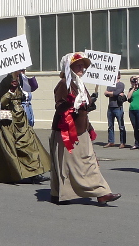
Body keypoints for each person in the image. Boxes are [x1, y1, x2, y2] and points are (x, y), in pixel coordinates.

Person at [50, 52, 121, 206]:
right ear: (69, 67)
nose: (82, 67)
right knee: (66, 164)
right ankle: (61, 193)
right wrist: (70, 104)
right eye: (78, 64)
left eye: (83, 65)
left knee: (89, 162)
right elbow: (59, 107)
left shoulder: (79, 83)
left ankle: (101, 192)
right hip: (67, 131)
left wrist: (90, 103)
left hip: (82, 129)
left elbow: (83, 108)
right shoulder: (64, 83)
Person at [0, 70, 51, 184]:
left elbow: (27, 94)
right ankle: (14, 173)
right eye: (21, 69)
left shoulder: (22, 79)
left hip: (21, 117)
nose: (23, 70)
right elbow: (3, 102)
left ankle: (35, 172)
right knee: (12, 147)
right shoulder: (6, 82)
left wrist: (30, 84)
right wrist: (11, 90)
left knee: (30, 144)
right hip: (9, 120)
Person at [103, 72, 127, 148]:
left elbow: (116, 93)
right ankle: (111, 141)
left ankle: (122, 142)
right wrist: (112, 93)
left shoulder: (121, 84)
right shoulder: (110, 84)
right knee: (110, 126)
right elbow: (106, 93)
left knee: (121, 126)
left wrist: (110, 93)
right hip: (110, 108)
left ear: (119, 76)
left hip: (118, 107)